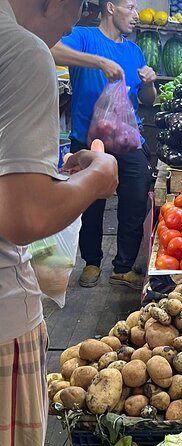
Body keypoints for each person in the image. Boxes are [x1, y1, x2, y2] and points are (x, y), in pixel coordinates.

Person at [0, 1, 119, 444]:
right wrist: (98, 176)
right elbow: (25, 215)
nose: (57, 40)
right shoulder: (21, 50)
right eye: (70, 19)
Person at [51, 0, 155, 290]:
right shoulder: (84, 37)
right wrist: (97, 61)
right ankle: (92, 262)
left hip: (128, 140)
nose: (136, 16)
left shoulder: (134, 51)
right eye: (131, 7)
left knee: (135, 199)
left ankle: (122, 267)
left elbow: (147, 101)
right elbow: (50, 49)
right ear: (111, 7)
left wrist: (149, 83)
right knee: (90, 203)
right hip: (89, 140)